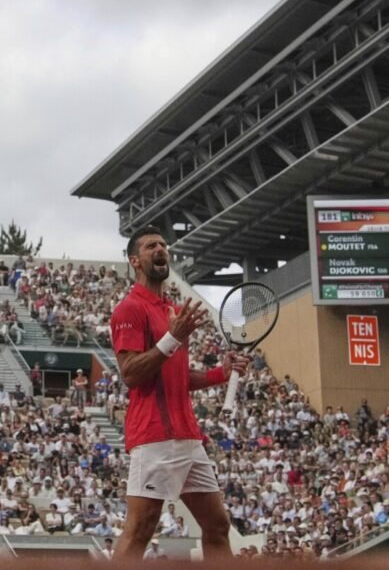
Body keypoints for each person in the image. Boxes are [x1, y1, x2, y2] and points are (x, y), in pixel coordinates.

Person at [109, 225, 248, 561]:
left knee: (217, 526)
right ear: (135, 261)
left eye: (163, 245)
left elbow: (176, 377)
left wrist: (221, 373)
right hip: (154, 436)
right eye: (150, 246)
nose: (161, 249)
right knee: (141, 529)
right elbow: (131, 374)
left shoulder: (171, 311)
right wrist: (172, 338)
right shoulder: (129, 308)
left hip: (187, 436)